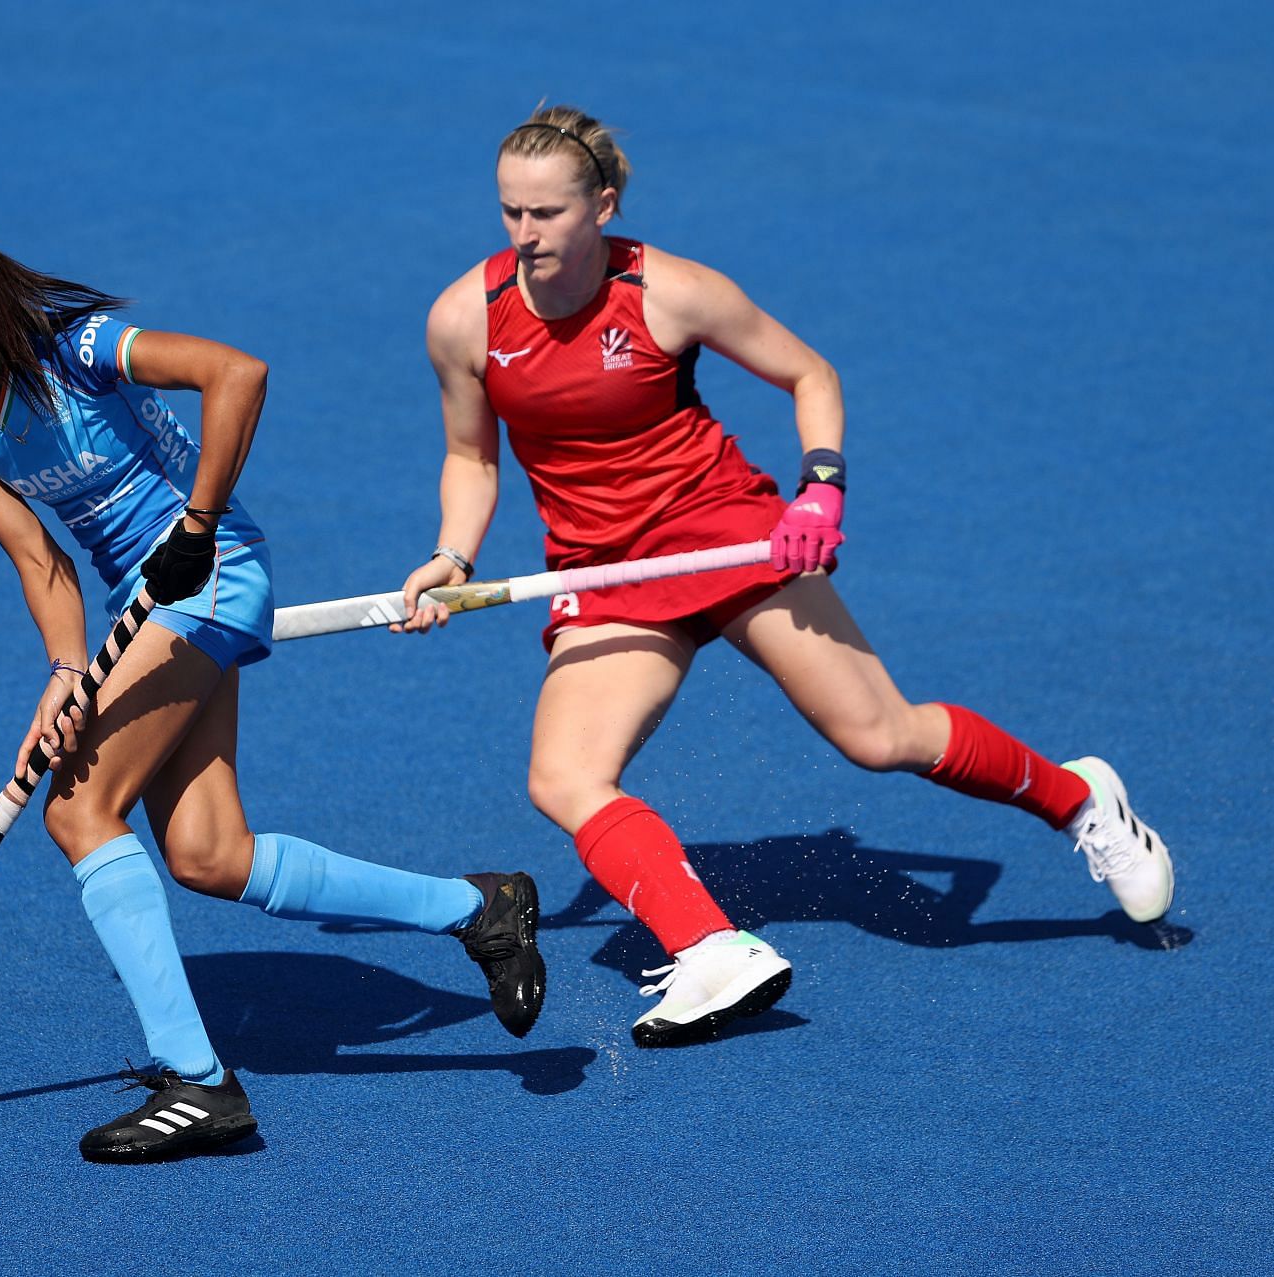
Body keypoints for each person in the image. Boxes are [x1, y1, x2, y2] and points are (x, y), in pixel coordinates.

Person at [394, 107, 1174, 1049]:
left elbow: (811, 375)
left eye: (547, 213)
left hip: (723, 533)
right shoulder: (464, 320)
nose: (525, 235)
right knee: (563, 777)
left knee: (881, 737)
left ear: (602, 204)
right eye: (510, 212)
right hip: (604, 570)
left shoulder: (672, 292)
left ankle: (1080, 799)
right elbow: (472, 459)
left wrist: (818, 495)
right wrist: (453, 556)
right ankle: (711, 947)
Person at [0, 211, 545, 1162]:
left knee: (78, 813)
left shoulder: (81, 349)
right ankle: (481, 908)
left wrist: (199, 523)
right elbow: (36, 556)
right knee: (210, 854)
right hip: (144, 601)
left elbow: (238, 374)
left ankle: (199, 1081)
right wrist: (64, 674)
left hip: (208, 573)